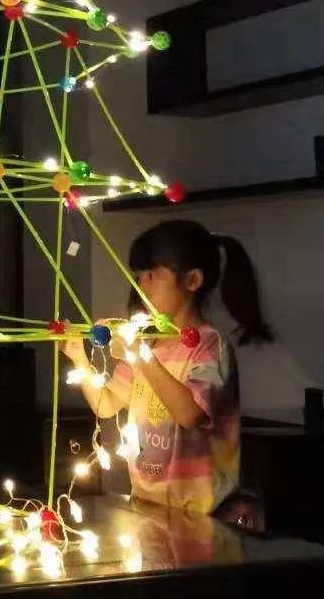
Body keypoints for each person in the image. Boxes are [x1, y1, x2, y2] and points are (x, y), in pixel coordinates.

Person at [62, 219, 272, 517]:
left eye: (151, 275)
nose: (141, 285)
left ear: (192, 281)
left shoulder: (210, 345)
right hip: (150, 505)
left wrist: (139, 354)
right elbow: (106, 405)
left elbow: (190, 414)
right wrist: (79, 359)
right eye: (138, 276)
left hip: (205, 513)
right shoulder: (150, 345)